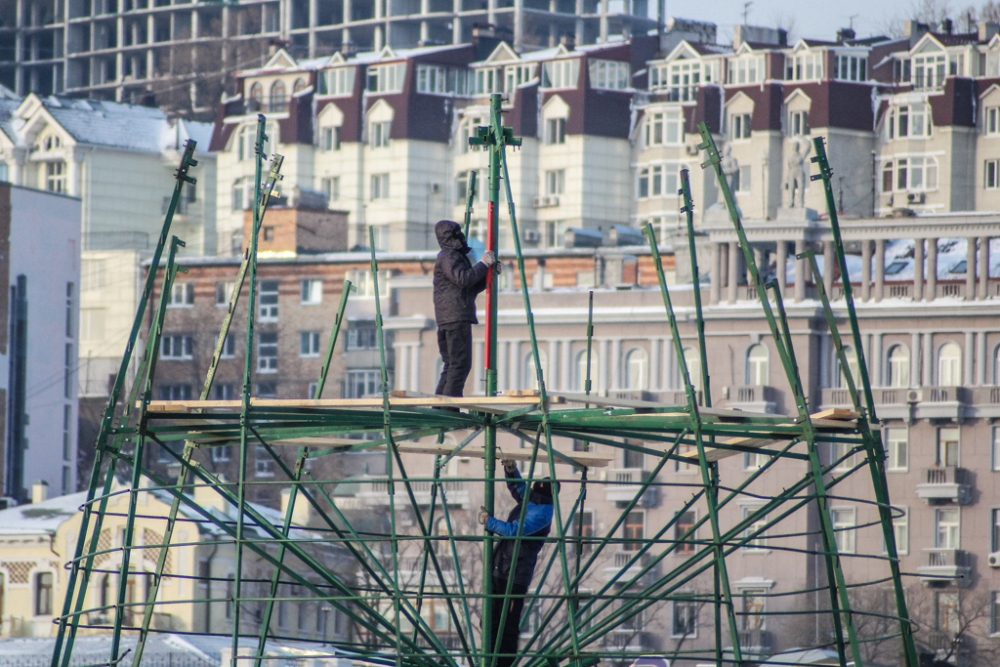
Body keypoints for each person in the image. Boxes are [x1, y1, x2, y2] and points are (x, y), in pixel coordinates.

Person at [478, 459, 556, 667]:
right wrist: (511, 471)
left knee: (507, 625)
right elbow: (520, 490)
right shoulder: (537, 502)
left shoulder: (541, 515)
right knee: (491, 618)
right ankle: (491, 658)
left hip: (514, 575)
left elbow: (515, 532)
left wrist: (489, 522)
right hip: (502, 568)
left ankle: (502, 663)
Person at [433, 219, 497, 397]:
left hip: (448, 318)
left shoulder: (450, 257)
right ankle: (448, 409)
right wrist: (483, 264)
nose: (462, 236)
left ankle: (440, 407)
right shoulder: (449, 256)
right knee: (460, 364)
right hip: (456, 318)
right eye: (458, 232)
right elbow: (464, 279)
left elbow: (468, 288)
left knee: (451, 365)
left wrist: (488, 274)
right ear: (453, 236)